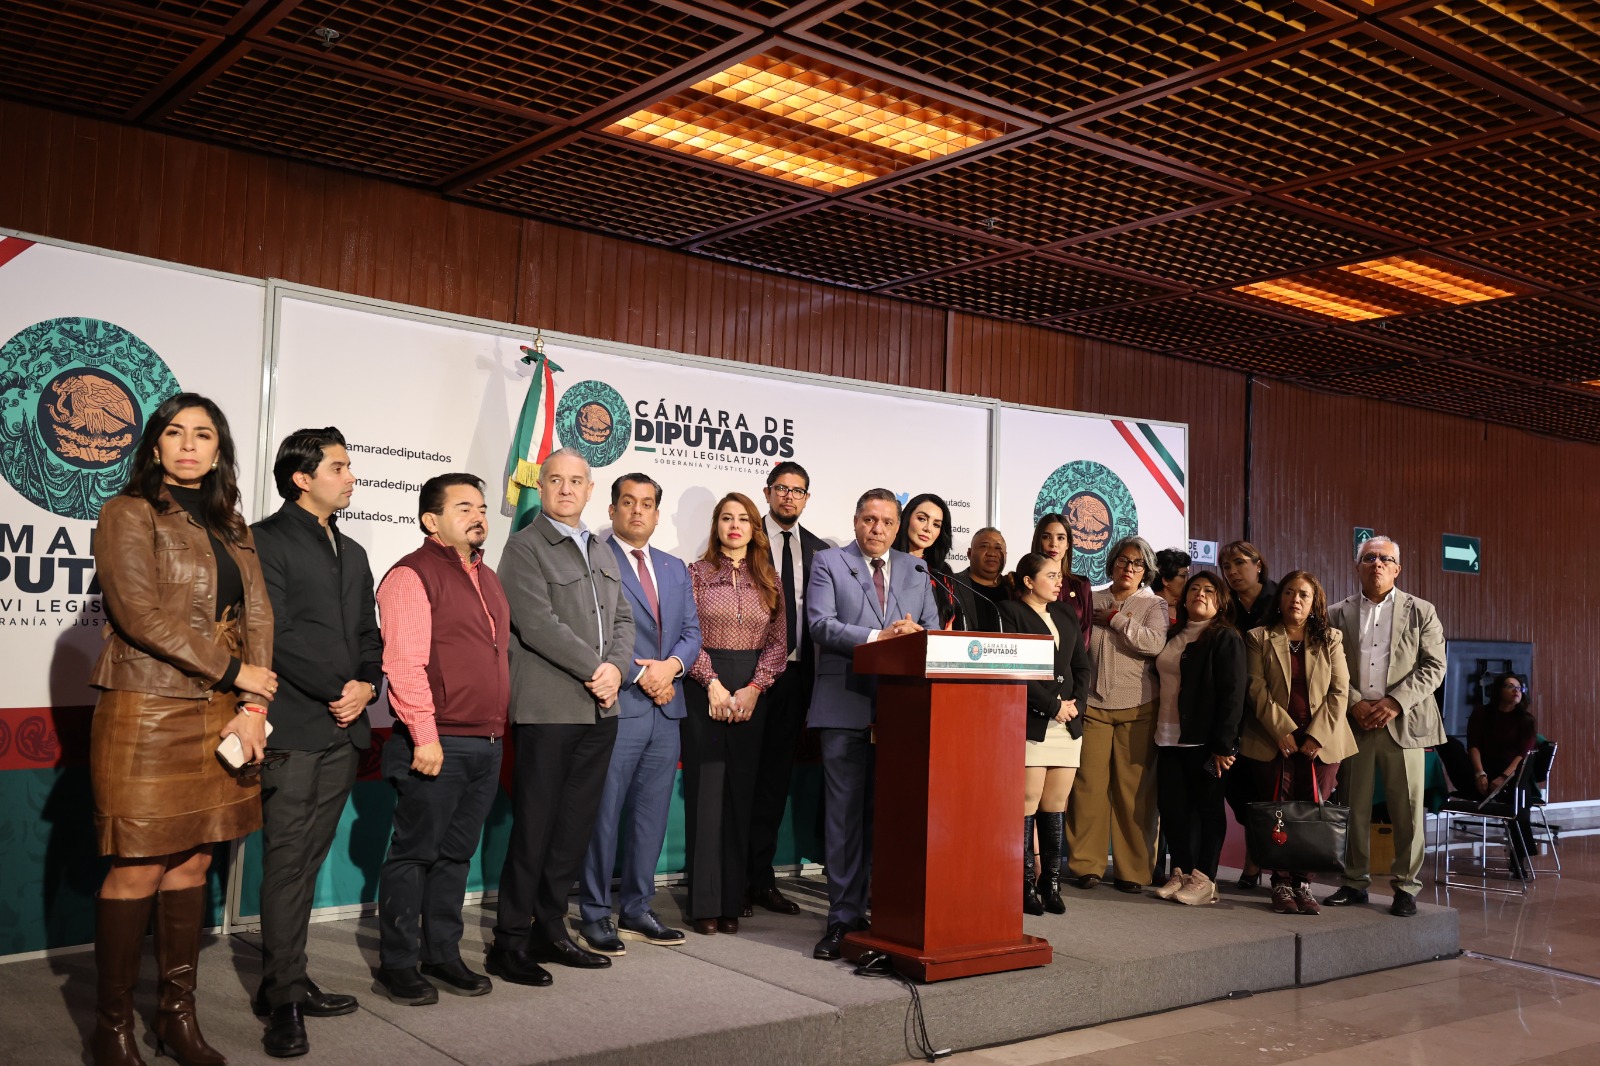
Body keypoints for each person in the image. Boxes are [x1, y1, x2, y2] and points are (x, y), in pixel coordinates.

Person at [88, 393, 275, 1066]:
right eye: (175, 432)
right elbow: (137, 613)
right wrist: (233, 671)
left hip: (223, 709)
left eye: (203, 435)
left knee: (195, 859)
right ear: (155, 444)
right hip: (146, 706)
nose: (189, 445)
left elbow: (259, 619)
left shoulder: (233, 524)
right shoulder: (127, 513)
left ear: (219, 449)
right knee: (137, 865)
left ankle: (175, 1017)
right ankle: (111, 1029)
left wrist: (253, 706)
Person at [250, 427, 380, 1056]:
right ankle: (283, 1002)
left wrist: (366, 687)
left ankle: (286, 979)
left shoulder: (352, 550)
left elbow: (367, 633)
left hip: (344, 729)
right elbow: (270, 634)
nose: (351, 476)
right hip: (296, 730)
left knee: (305, 866)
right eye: (339, 466)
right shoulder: (265, 540)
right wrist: (340, 688)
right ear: (302, 477)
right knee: (286, 863)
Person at [490, 449, 635, 979]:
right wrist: (597, 669)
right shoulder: (525, 547)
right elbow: (536, 623)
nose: (566, 489)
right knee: (534, 829)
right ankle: (508, 942)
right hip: (550, 709)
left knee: (573, 829)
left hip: (601, 710)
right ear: (542, 486)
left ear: (590, 490)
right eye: (556, 480)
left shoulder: (601, 548)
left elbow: (623, 618)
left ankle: (549, 929)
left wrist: (616, 670)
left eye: (577, 481)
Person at [373, 474, 509, 1004]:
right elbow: (403, 665)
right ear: (431, 521)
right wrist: (425, 737)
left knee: (456, 856)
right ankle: (399, 963)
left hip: (487, 741)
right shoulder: (412, 575)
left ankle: (443, 954)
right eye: (463, 507)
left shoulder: (490, 578)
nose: (478, 515)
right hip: (436, 743)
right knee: (414, 855)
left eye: (481, 507)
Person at [806, 488, 942, 960]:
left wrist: (916, 635)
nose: (877, 529)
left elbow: (934, 631)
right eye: (869, 519)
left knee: (891, 818)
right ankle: (842, 919)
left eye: (886, 521)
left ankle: (883, 915)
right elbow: (821, 624)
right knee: (844, 820)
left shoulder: (915, 569)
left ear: (897, 524)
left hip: (901, 712)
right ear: (856, 520)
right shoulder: (828, 562)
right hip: (843, 705)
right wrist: (879, 637)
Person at [575, 475, 702, 954]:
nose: (637, 512)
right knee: (604, 815)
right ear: (611, 510)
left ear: (655, 512)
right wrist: (639, 675)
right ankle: (593, 913)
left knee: (650, 817)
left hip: (667, 711)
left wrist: (672, 668)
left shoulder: (674, 567)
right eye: (627, 503)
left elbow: (691, 630)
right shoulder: (594, 560)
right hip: (620, 705)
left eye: (647, 504)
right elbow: (591, 633)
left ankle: (637, 908)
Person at [1323, 536, 1446, 917]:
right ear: (1357, 566)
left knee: (1407, 810)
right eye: (1369, 557)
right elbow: (1328, 666)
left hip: (1403, 723)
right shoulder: (1335, 614)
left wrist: (1394, 702)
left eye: (1385, 559)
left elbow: (1434, 666)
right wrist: (1356, 702)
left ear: (1397, 568)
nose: (1376, 563)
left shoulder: (1421, 611)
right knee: (1352, 807)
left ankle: (1406, 888)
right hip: (1355, 722)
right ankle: (1354, 882)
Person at [682, 492, 788, 934]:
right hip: (704, 688)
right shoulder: (696, 574)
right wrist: (712, 683)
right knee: (707, 796)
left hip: (751, 694)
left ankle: (732, 900)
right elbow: (686, 633)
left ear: (754, 527)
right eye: (726, 518)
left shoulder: (770, 580)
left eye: (743, 518)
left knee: (741, 794)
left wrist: (754, 689)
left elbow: (780, 642)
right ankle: (704, 903)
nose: (735, 525)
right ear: (716, 525)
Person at [1242, 571, 1357, 916]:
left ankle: (1303, 883)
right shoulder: (1258, 637)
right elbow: (1255, 688)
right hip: (1272, 739)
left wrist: (1316, 736)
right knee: (1279, 811)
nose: (1295, 599)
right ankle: (1279, 882)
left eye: (1304, 595)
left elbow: (1340, 691)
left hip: (1321, 742)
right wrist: (1282, 732)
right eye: (1290, 592)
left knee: (1312, 813)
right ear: (1280, 598)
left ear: (1314, 602)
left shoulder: (1331, 638)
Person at [747, 461, 827, 917]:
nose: (789, 498)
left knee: (774, 784)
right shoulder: (741, 535)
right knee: (742, 781)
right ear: (768, 492)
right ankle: (729, 880)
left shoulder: (819, 551)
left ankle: (761, 880)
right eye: (782, 489)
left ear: (806, 498)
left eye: (798, 491)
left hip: (797, 678)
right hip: (748, 677)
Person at [1066, 535, 1166, 893]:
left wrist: (1116, 620)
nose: (1129, 568)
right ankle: (1086, 866)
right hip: (1092, 704)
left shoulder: (1155, 605)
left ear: (1147, 570)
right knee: (1087, 787)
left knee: (1134, 793)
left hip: (1138, 705)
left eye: (1137, 563)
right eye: (1123, 561)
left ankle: (1134, 871)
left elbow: (1154, 644)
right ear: (1111, 564)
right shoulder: (1093, 596)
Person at [997, 554, 1090, 915]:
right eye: (1050, 576)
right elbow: (1013, 669)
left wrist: (1076, 704)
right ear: (1028, 581)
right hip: (1033, 721)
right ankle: (1022, 885)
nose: (1059, 582)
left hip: (1068, 724)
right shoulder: (1009, 612)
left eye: (1059, 576)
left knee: (1055, 805)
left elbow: (1081, 665)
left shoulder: (1066, 614)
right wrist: (1053, 706)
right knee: (1027, 803)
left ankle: (1050, 882)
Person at [1150, 572, 1246, 907]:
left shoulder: (1225, 637)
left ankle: (1205, 878)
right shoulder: (1173, 634)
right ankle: (1182, 870)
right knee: (1173, 808)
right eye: (1194, 589)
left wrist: (1225, 745)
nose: (1200, 594)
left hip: (1205, 742)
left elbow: (1234, 694)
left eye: (1208, 590)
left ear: (1220, 601)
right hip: (1167, 737)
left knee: (1207, 809)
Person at [1220, 540, 1274, 889]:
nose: (1233, 571)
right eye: (1227, 567)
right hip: (1235, 711)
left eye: (1240, 563)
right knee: (1238, 794)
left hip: (1271, 712)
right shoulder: (1226, 606)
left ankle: (1264, 865)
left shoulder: (1281, 599)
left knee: (1268, 796)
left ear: (1258, 564)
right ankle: (1257, 856)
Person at [1466, 673, 1538, 877]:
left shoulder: (1526, 720)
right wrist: (1480, 773)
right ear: (1498, 691)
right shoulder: (1482, 713)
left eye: (1520, 687)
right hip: (1485, 770)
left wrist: (1503, 778)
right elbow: (1473, 745)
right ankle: (1483, 788)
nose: (1517, 690)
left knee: (1519, 800)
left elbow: (1522, 755)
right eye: (1510, 686)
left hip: (1514, 773)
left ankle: (1519, 859)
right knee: (1450, 747)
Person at [892, 492, 978, 630]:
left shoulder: (943, 573)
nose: (928, 529)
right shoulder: (886, 562)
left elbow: (947, 626)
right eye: (921, 519)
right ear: (906, 519)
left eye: (936, 525)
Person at [1023, 513, 1093, 648]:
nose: (1053, 544)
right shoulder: (1025, 582)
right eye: (1046, 537)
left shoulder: (1081, 584)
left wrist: (1069, 663)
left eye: (1060, 538)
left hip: (1071, 666)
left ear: (1068, 544)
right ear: (1038, 540)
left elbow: (1086, 631)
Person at [952, 527, 1008, 631]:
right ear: (969, 553)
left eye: (998, 548)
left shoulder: (1014, 589)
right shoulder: (951, 585)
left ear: (1006, 555)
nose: (992, 553)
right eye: (984, 546)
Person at [1151, 548, 1191, 624]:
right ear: (1166, 580)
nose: (1188, 581)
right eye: (1184, 576)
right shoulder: (1146, 611)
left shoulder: (1191, 613)